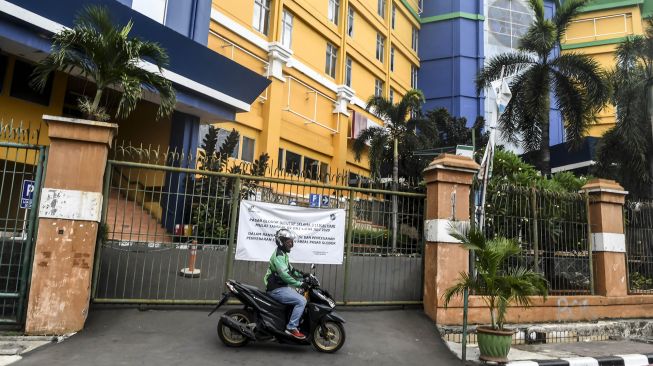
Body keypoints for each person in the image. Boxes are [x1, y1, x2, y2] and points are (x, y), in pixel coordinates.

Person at [264, 228, 307, 339]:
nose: (291, 245)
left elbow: (291, 270)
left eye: (292, 242)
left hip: (281, 287)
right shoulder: (279, 255)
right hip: (276, 289)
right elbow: (285, 275)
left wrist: (304, 275)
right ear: (281, 242)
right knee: (301, 301)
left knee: (300, 297)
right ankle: (291, 327)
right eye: (289, 242)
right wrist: (300, 284)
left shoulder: (283, 254)